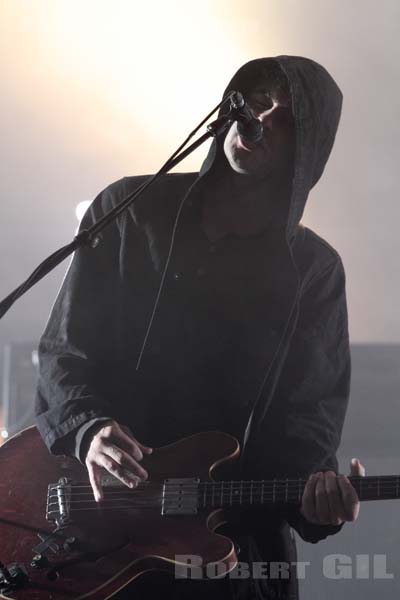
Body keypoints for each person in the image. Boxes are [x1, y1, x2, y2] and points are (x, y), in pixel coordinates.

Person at [35, 56, 365, 599]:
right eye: (257, 98)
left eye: (288, 117)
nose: (262, 116)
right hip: (92, 540)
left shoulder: (314, 271)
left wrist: (320, 500)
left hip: (226, 566)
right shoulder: (126, 210)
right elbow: (64, 352)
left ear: (308, 153)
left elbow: (307, 425)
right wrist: (88, 430)